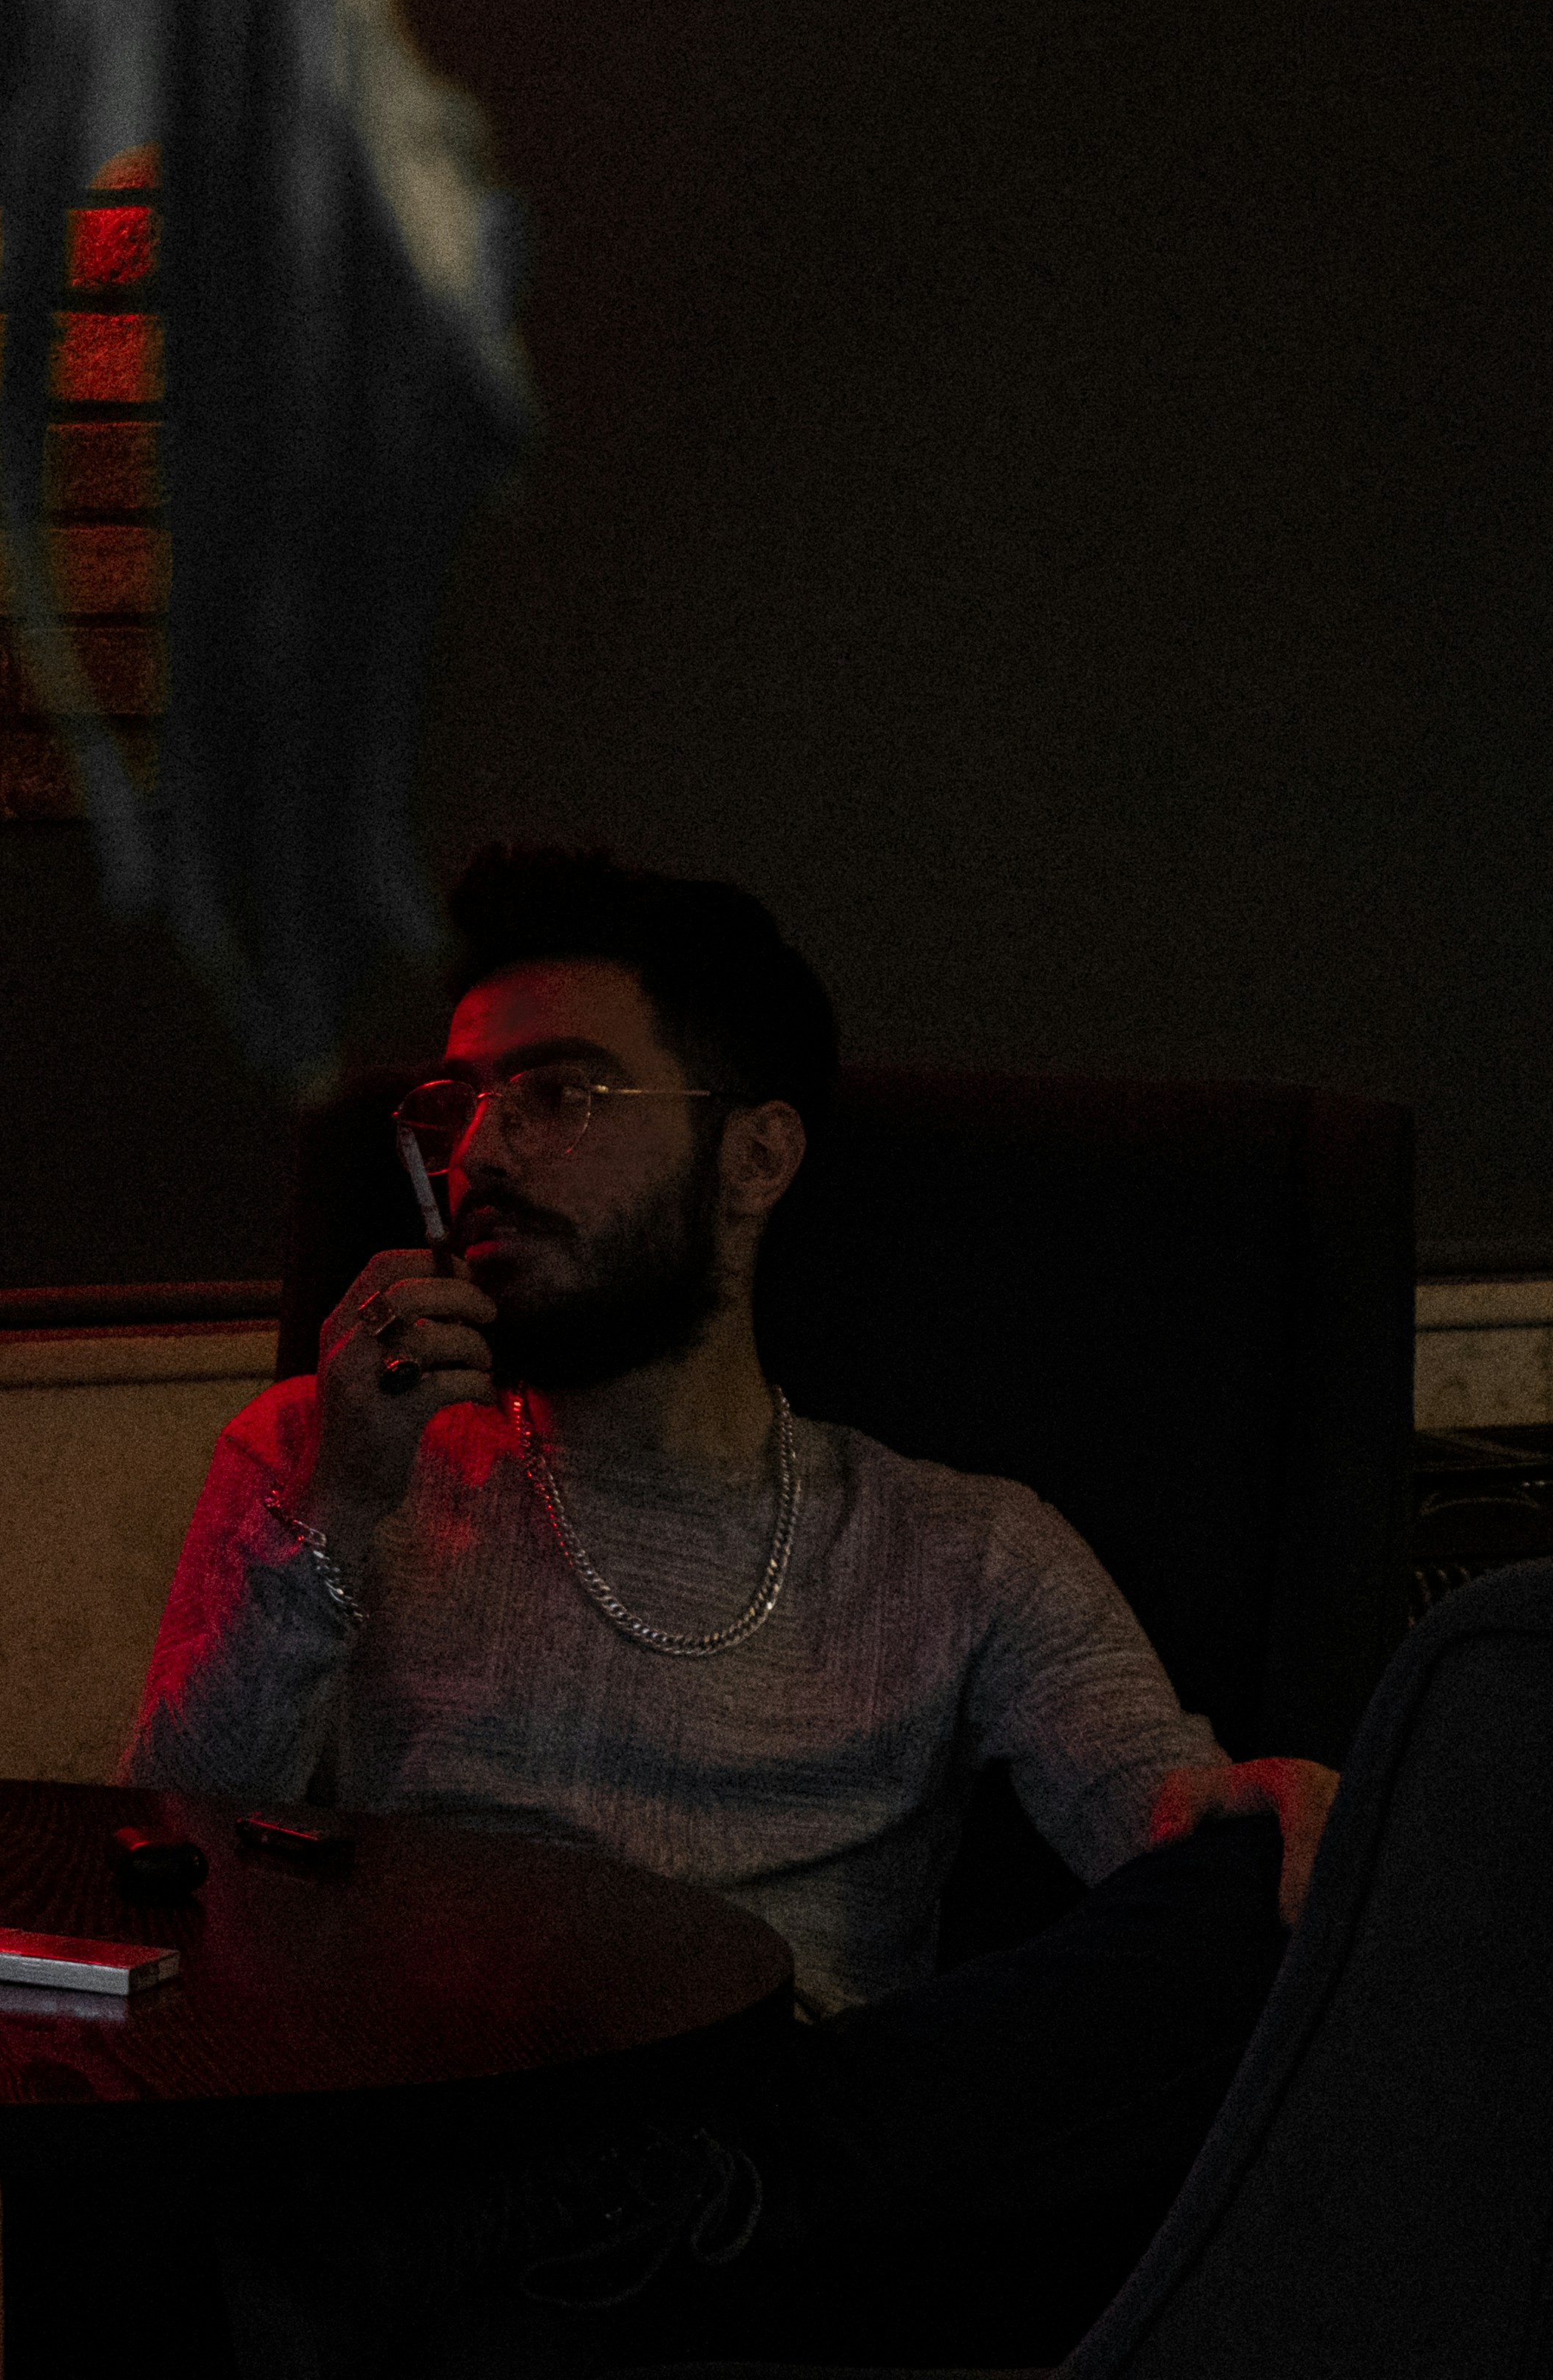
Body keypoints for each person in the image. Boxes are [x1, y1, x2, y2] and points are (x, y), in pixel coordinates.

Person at [124, 847, 1335, 2373]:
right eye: (459, 1105)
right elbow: (158, 1870)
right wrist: (341, 1510)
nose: (482, 1149)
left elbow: (1156, 1826)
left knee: (1261, 1899)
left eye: (560, 1093)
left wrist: (1252, 1817)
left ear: (757, 1156)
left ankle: (710, 2165)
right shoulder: (326, 1454)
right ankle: (651, 2183)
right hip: (458, 2121)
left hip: (784, 2226)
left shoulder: (958, 1543)